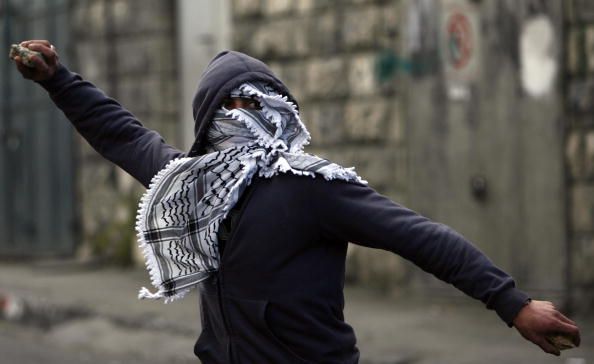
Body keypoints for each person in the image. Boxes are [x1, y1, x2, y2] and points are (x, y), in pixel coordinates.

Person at [14, 40, 581, 363]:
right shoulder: (192, 183)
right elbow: (121, 133)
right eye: (230, 104)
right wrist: (58, 80)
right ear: (209, 118)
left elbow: (421, 237)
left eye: (256, 101)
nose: (245, 114)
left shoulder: (313, 186)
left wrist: (512, 304)